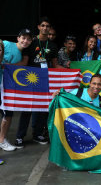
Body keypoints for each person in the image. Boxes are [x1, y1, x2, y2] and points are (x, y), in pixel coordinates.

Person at [15, 17, 64, 149]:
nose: (45, 28)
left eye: (47, 26)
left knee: (42, 108)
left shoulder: (52, 45)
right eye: (43, 25)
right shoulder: (31, 42)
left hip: (44, 80)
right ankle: (20, 136)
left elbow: (55, 65)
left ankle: (37, 134)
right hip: (30, 80)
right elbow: (24, 63)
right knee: (27, 109)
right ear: (38, 27)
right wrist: (9, 66)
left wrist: (72, 71)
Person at [0, 29, 33, 152]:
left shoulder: (21, 56)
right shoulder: (7, 44)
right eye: (23, 38)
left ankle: (2, 140)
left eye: (28, 39)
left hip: (5, 86)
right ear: (18, 38)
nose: (25, 41)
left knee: (8, 114)